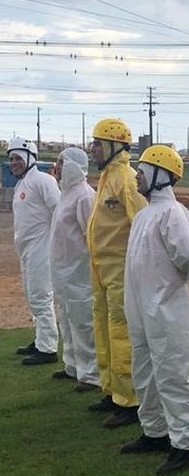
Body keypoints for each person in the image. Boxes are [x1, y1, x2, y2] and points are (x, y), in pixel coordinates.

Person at [120, 145, 189, 476]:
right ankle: (155, 431)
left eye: (143, 169)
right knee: (145, 371)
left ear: (160, 174)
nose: (138, 175)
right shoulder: (143, 215)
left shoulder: (174, 213)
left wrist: (168, 290)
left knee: (171, 375)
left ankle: (185, 445)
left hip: (167, 310)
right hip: (141, 308)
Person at [87, 119, 148, 428]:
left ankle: (129, 400)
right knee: (103, 327)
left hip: (121, 268)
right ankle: (111, 389)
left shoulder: (126, 178)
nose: (92, 148)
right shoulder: (107, 176)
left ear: (113, 145)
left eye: (97, 143)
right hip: (101, 268)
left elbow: (143, 223)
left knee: (120, 331)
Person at [49, 147, 100, 391]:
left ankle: (91, 374)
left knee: (83, 323)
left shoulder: (85, 196)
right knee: (67, 321)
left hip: (80, 274)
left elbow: (92, 235)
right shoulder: (65, 195)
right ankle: (72, 365)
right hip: (64, 273)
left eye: (61, 162)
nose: (57, 167)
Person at [9, 137, 60, 365]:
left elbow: (58, 211)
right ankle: (40, 339)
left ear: (30, 158)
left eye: (18, 158)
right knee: (32, 296)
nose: (14, 163)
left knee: (41, 295)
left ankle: (48, 348)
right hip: (27, 249)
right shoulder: (22, 184)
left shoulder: (42, 181)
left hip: (42, 247)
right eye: (11, 158)